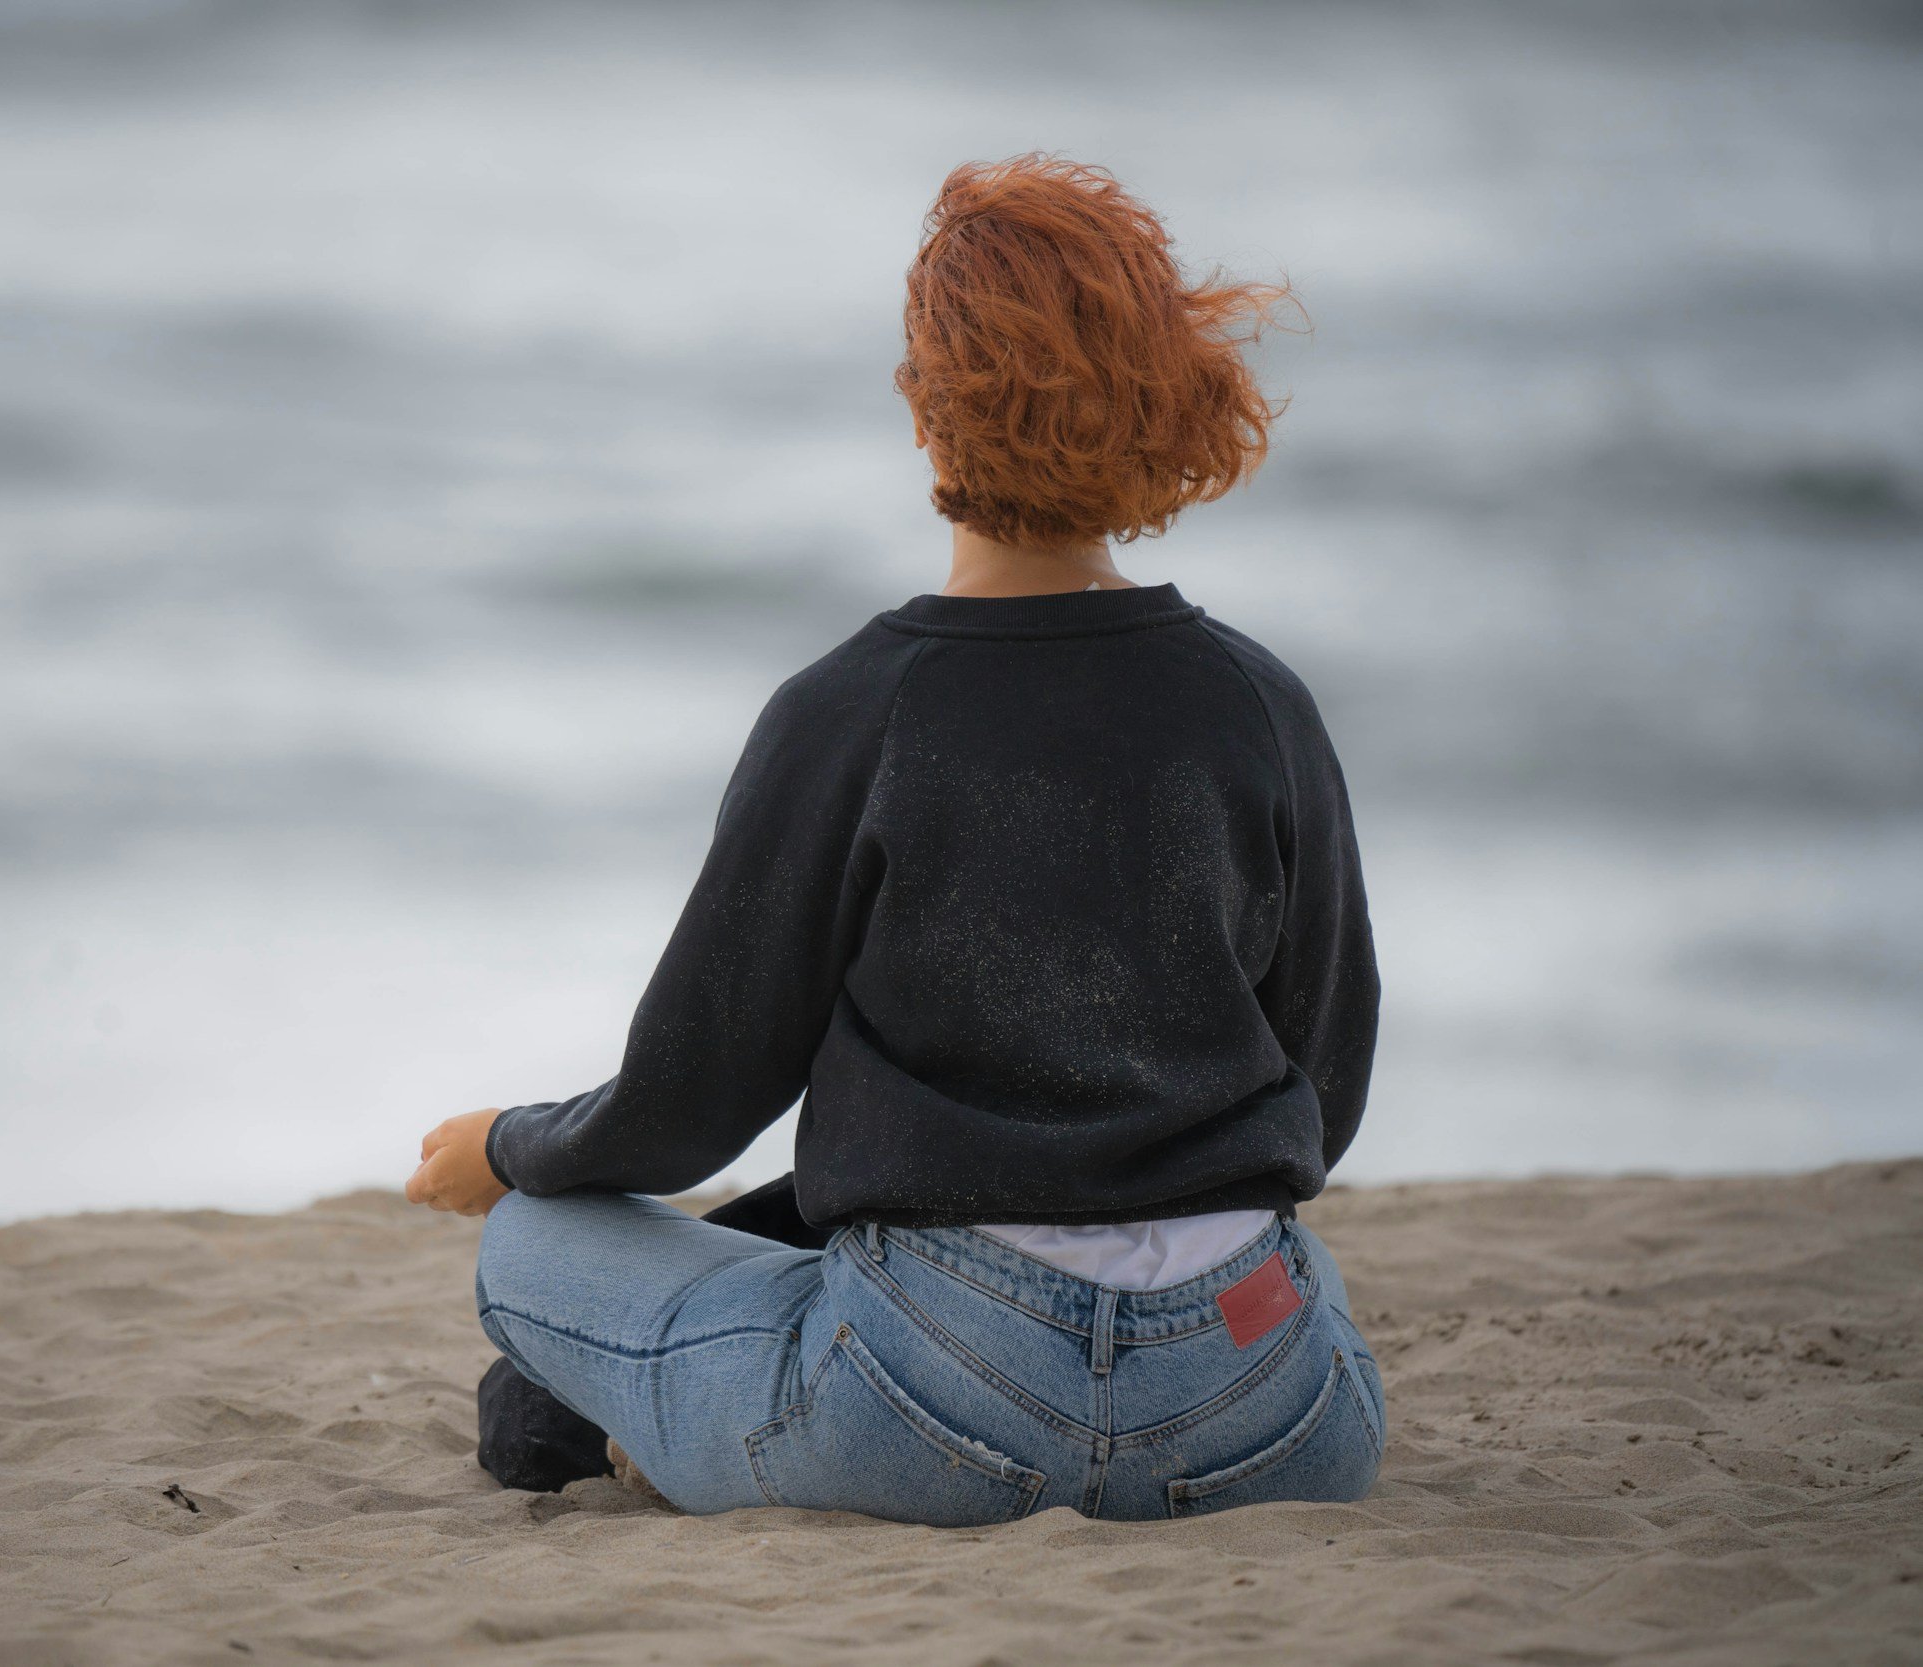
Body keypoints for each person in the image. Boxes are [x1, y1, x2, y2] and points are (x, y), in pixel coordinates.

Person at [406, 154, 1384, 1525]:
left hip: (938, 1404)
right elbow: (1323, 1087)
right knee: (1301, 1279)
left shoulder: (853, 712)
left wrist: (508, 1149)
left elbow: (691, 1103)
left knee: (534, 1249)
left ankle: (653, 1427)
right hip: (1264, 1413)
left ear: (927, 406)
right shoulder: (1260, 705)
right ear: (1168, 397)